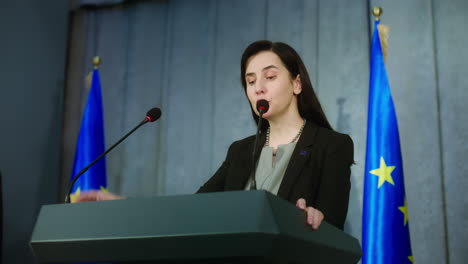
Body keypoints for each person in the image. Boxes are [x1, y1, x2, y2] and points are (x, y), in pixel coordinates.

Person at [75, 40, 354, 231]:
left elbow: (332, 231)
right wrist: (123, 206)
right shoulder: (241, 151)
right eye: (250, 80)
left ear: (296, 83)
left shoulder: (333, 146)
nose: (258, 88)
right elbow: (195, 211)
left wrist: (313, 220)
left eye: (269, 77)